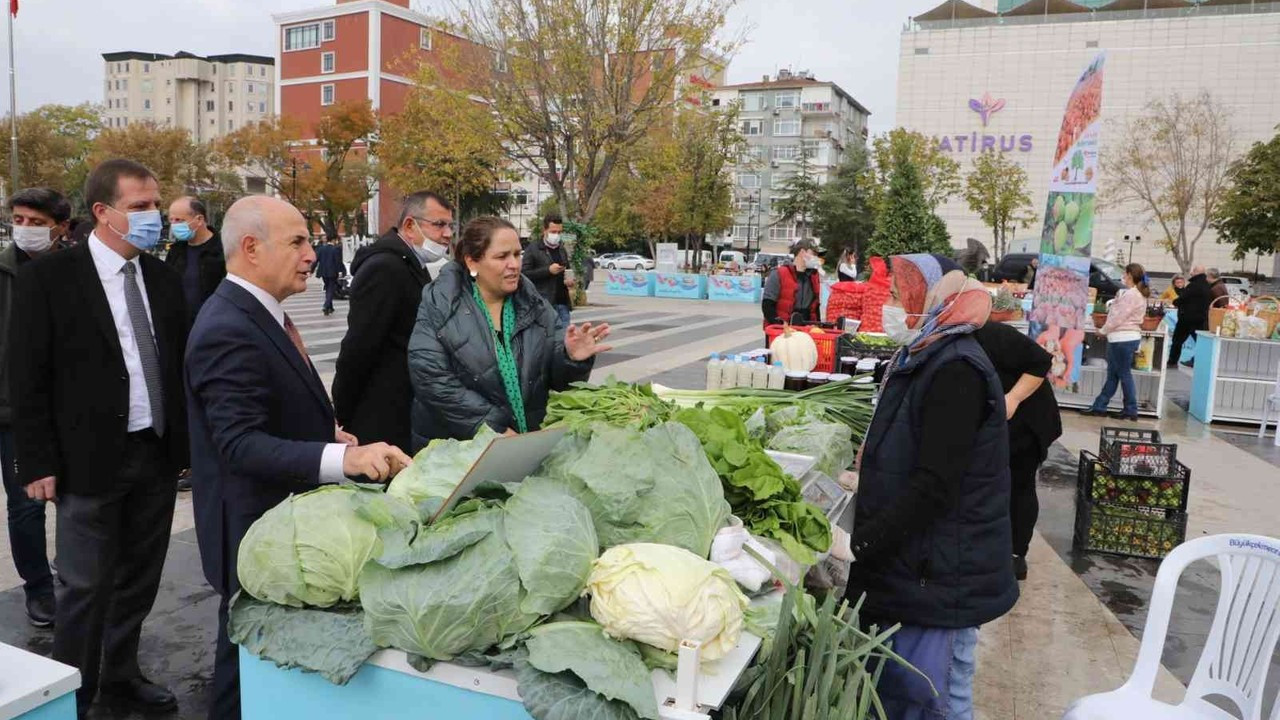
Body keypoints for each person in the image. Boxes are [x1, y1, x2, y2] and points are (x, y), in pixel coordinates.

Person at [186, 196, 412, 720]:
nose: (313, 254)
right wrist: (343, 461)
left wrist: (328, 433)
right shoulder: (228, 326)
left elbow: (268, 411)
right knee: (243, 662)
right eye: (298, 242)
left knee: (260, 661)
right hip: (251, 527)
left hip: (279, 520)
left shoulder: (260, 314)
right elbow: (239, 444)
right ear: (251, 249)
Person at [11, 159, 189, 716]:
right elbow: (26, 375)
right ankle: (76, 692)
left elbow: (175, 363)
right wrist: (36, 460)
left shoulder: (161, 278)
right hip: (87, 459)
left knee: (139, 579)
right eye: (139, 207)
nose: (152, 217)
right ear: (102, 213)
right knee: (84, 588)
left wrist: (183, 448)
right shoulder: (50, 279)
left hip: (154, 454)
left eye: (155, 205)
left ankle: (121, 674)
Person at [844, 254, 1017, 719]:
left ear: (933, 297)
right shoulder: (929, 350)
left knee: (933, 700)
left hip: (938, 574)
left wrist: (861, 544)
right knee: (918, 696)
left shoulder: (955, 369)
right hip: (925, 567)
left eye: (902, 295)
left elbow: (936, 484)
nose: (895, 305)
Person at [408, 216, 610, 448]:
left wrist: (571, 358)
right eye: (502, 256)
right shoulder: (440, 302)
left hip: (522, 445)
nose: (514, 264)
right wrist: (494, 427)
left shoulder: (535, 305)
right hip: (458, 452)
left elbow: (555, 379)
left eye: (517, 254)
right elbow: (431, 379)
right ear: (472, 262)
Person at [1, 187, 72, 628]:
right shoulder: (3, 270)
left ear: (60, 228)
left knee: (75, 499)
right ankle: (38, 589)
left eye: (36, 222)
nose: (24, 229)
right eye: (18, 219)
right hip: (11, 413)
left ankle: (74, 572)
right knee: (26, 505)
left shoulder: (72, 272)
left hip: (67, 408)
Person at [333, 192, 451, 454]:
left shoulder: (409, 263)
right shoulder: (385, 268)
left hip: (402, 405)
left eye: (450, 225)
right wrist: (343, 412)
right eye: (439, 224)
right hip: (380, 411)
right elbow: (358, 348)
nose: (448, 234)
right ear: (410, 226)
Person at [973, 320, 1062, 581]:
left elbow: (1041, 361)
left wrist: (1013, 398)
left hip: (1029, 420)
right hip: (1000, 423)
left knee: (1019, 485)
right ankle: (991, 545)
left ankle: (1015, 554)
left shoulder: (992, 332)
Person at [1084, 263, 1151, 421]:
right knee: (1114, 374)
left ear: (1129, 275)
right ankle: (1100, 405)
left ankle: (1130, 409)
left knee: (1122, 374)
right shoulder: (1134, 294)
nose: (1123, 276)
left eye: (1125, 273)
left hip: (1122, 338)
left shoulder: (1131, 295)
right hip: (1127, 338)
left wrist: (1103, 331)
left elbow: (1117, 317)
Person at [165, 196, 226, 326]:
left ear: (199, 219)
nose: (174, 225)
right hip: (180, 328)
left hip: (213, 327)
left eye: (179, 220)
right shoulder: (175, 252)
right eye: (171, 220)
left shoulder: (223, 251)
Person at [521, 213, 575, 328]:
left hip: (563, 303)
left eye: (559, 232)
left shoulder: (561, 249)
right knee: (548, 341)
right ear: (544, 230)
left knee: (564, 341)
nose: (556, 235)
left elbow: (567, 269)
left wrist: (569, 280)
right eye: (553, 232)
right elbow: (524, 274)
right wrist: (548, 271)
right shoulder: (533, 249)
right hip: (544, 304)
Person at [762, 240, 824, 326]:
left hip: (807, 330)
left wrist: (818, 325)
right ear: (802, 252)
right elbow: (767, 305)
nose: (817, 258)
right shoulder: (779, 273)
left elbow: (815, 307)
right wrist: (780, 324)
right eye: (814, 254)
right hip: (782, 330)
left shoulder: (813, 276)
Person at [1171, 266, 1212, 368]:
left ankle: (1172, 362)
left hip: (1187, 318)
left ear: (1198, 273)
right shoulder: (1207, 285)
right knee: (1200, 341)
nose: (1191, 273)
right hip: (1200, 318)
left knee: (1177, 341)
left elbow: (1183, 298)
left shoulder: (1193, 285)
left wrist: (1175, 302)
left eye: (1193, 271)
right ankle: (1199, 361)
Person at [314, 237, 345, 315]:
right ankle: (326, 305)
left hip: (323, 272)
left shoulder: (321, 249)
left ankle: (330, 307)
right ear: (333, 240)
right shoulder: (335, 249)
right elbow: (338, 261)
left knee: (328, 288)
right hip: (332, 272)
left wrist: (310, 270)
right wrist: (340, 271)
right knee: (330, 289)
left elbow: (316, 260)